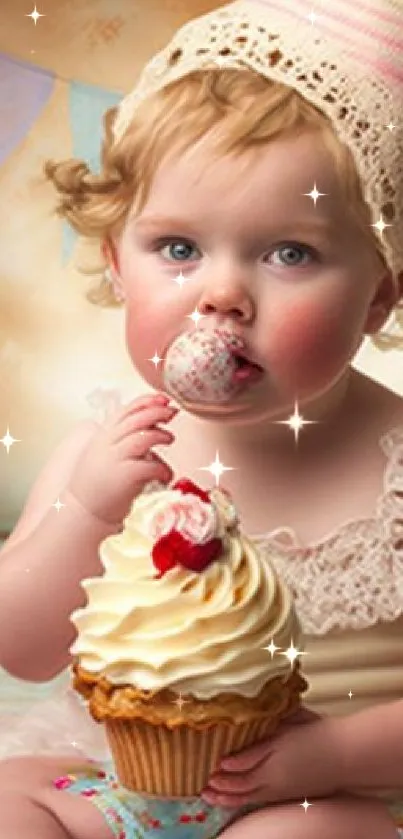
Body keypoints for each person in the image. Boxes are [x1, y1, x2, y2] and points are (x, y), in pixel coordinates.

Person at [0, 0, 402, 836]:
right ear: (116, 261)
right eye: (178, 249)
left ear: (377, 294)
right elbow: (24, 649)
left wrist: (330, 755)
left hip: (328, 792)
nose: (221, 294)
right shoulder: (110, 448)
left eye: (289, 253)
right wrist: (85, 509)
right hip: (128, 779)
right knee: (10, 795)